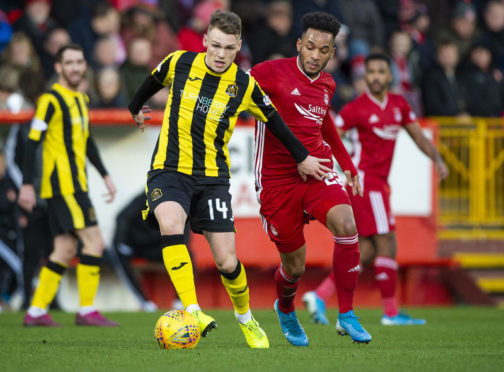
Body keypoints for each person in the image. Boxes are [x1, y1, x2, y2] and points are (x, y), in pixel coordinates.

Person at [128, 9, 331, 349]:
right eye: (216, 46)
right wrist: (135, 106)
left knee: (226, 261)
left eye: (229, 49)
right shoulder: (179, 63)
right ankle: (192, 310)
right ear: (205, 40)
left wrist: (303, 157)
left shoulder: (244, 84)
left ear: (239, 46)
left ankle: (245, 318)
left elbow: (275, 122)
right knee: (169, 222)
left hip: (212, 178)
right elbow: (151, 81)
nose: (221, 55)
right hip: (169, 168)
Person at [250, 11, 371, 346]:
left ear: (333, 53)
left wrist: (347, 163)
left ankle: (346, 314)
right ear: (299, 44)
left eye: (324, 50)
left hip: (317, 170)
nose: (316, 55)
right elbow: (233, 91)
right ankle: (285, 308)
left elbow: (325, 124)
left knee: (347, 225)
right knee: (295, 267)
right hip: (276, 183)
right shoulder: (270, 72)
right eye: (311, 47)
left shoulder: (329, 84)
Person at [302, 53, 449, 326]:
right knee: (387, 243)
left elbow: (417, 135)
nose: (377, 77)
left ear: (390, 75)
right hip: (367, 185)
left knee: (367, 251)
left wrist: (437, 159)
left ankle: (320, 295)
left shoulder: (399, 105)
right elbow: (330, 136)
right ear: (365, 77)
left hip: (377, 185)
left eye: (381, 71)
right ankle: (391, 313)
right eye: (371, 72)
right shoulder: (355, 109)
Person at [18, 44, 118, 327]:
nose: (75, 67)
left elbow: (86, 141)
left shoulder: (81, 99)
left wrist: (105, 175)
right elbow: (32, 141)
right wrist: (27, 185)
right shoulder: (50, 100)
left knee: (63, 249)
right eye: (69, 63)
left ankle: (36, 311)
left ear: (84, 65)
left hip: (78, 185)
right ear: (59, 67)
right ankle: (86, 310)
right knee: (94, 242)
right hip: (63, 186)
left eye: (79, 62)